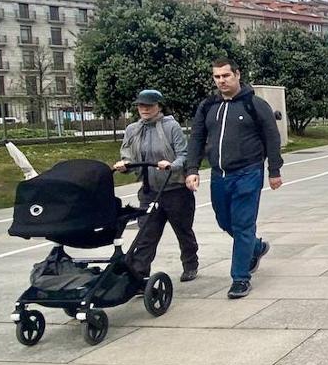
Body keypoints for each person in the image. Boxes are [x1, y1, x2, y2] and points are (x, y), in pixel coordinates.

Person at [185, 57, 283, 299]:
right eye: (217, 77)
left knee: (242, 225)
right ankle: (256, 247)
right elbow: (196, 138)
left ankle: (240, 278)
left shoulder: (254, 105)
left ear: (237, 75)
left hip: (248, 172)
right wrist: (192, 169)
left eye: (226, 76)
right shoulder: (207, 106)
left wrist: (274, 170)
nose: (221, 81)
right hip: (220, 175)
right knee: (224, 221)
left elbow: (272, 137)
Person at [114, 89, 199, 282]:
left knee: (183, 230)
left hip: (175, 190)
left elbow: (183, 154)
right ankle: (139, 274)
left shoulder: (171, 126)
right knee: (146, 234)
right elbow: (127, 153)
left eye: (149, 105)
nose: (144, 109)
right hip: (149, 191)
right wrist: (124, 165)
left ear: (159, 106)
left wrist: (172, 165)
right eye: (141, 105)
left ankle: (190, 264)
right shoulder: (133, 129)